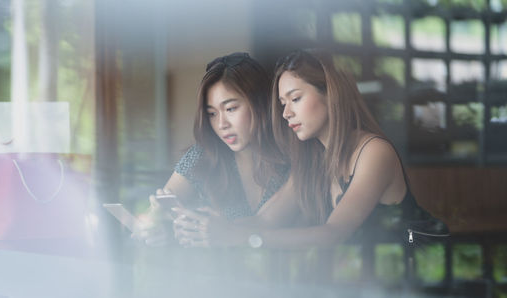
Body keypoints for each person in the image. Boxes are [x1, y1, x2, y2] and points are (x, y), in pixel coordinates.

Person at [174, 49, 447, 248]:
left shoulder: (374, 152)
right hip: (369, 278)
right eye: (282, 103)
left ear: (331, 94)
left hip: (426, 271)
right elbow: (267, 220)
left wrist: (241, 237)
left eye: (296, 98)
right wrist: (211, 230)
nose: (286, 113)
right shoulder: (313, 157)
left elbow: (334, 233)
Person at [133, 52, 290, 246]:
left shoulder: (292, 157)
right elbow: (155, 214)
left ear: (260, 104)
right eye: (212, 114)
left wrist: (220, 229)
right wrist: (157, 227)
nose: (222, 124)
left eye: (231, 109)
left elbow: (270, 222)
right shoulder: (202, 156)